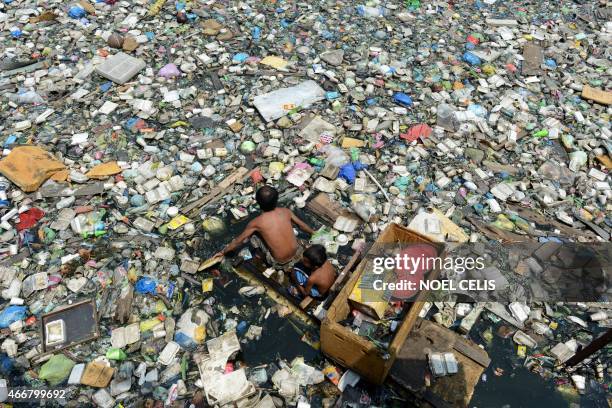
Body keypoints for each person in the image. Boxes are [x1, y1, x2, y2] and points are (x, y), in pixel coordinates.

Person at [215, 185, 315, 271]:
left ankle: (262, 257)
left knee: (254, 236)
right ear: (276, 200)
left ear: (258, 203)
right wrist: (313, 232)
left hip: (280, 262)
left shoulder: (256, 222)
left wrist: (223, 252)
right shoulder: (285, 211)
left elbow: (238, 241)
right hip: (298, 253)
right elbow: (301, 225)